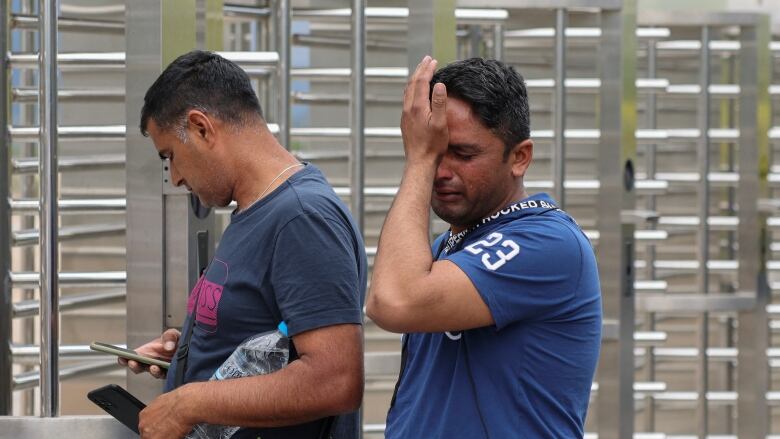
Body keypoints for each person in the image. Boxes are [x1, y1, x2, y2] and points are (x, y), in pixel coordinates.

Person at [120, 50, 367, 439]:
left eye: (170, 157)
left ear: (201, 128)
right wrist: (191, 349)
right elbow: (268, 341)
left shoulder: (302, 218)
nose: (177, 178)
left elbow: (335, 380)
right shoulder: (256, 210)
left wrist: (190, 403)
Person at [366, 56, 602, 438]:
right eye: (435, 151)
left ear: (520, 157)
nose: (441, 171)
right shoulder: (448, 247)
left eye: (463, 154)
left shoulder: (548, 243)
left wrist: (419, 160)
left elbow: (393, 302)